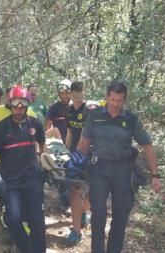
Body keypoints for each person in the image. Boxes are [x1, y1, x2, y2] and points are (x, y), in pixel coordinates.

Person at [76, 81, 162, 253]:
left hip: (122, 170)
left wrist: (155, 174)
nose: (115, 104)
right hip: (99, 168)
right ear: (107, 97)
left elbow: (147, 145)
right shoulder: (95, 116)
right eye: (113, 99)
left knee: (120, 215)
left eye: (119, 100)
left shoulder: (131, 119)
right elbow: (84, 144)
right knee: (98, 214)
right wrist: (77, 169)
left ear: (125, 100)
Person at [0, 84, 46, 253]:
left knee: (37, 219)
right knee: (13, 218)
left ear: (27, 104)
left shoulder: (35, 124)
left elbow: (42, 144)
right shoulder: (2, 126)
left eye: (22, 103)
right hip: (10, 181)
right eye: (15, 103)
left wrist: (44, 163)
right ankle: (26, 249)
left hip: (32, 178)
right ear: (9, 104)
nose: (19, 108)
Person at [65, 81, 91, 246]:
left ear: (84, 92)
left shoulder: (89, 110)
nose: (77, 96)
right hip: (75, 157)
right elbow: (69, 133)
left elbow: (87, 135)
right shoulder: (69, 110)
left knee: (90, 190)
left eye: (79, 92)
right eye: (74, 92)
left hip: (90, 156)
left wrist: (82, 154)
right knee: (75, 191)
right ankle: (76, 231)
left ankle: (84, 212)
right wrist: (66, 153)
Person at [46, 79, 72, 211]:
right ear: (59, 94)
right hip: (58, 147)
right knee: (61, 174)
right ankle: (64, 202)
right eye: (62, 93)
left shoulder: (77, 108)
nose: (65, 95)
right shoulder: (54, 108)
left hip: (74, 145)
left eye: (67, 93)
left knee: (75, 175)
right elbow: (48, 127)